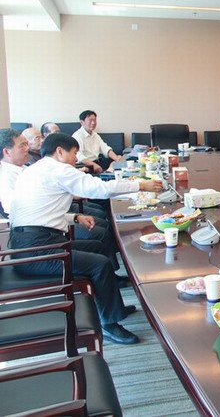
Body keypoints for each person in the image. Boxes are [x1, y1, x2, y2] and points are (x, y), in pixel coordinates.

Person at [9, 133, 163, 344]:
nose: (76, 158)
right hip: (36, 251)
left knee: (96, 245)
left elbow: (42, 212)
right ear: (60, 151)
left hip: (31, 243)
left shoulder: (37, 169)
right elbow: (98, 188)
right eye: (74, 153)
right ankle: (108, 324)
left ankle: (113, 307)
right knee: (99, 265)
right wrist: (141, 185)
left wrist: (75, 217)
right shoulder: (57, 169)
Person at [0, 129, 29, 216]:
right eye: (22, 145)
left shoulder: (26, 168)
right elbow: (12, 209)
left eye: (27, 144)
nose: (27, 148)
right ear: (7, 152)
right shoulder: (4, 178)